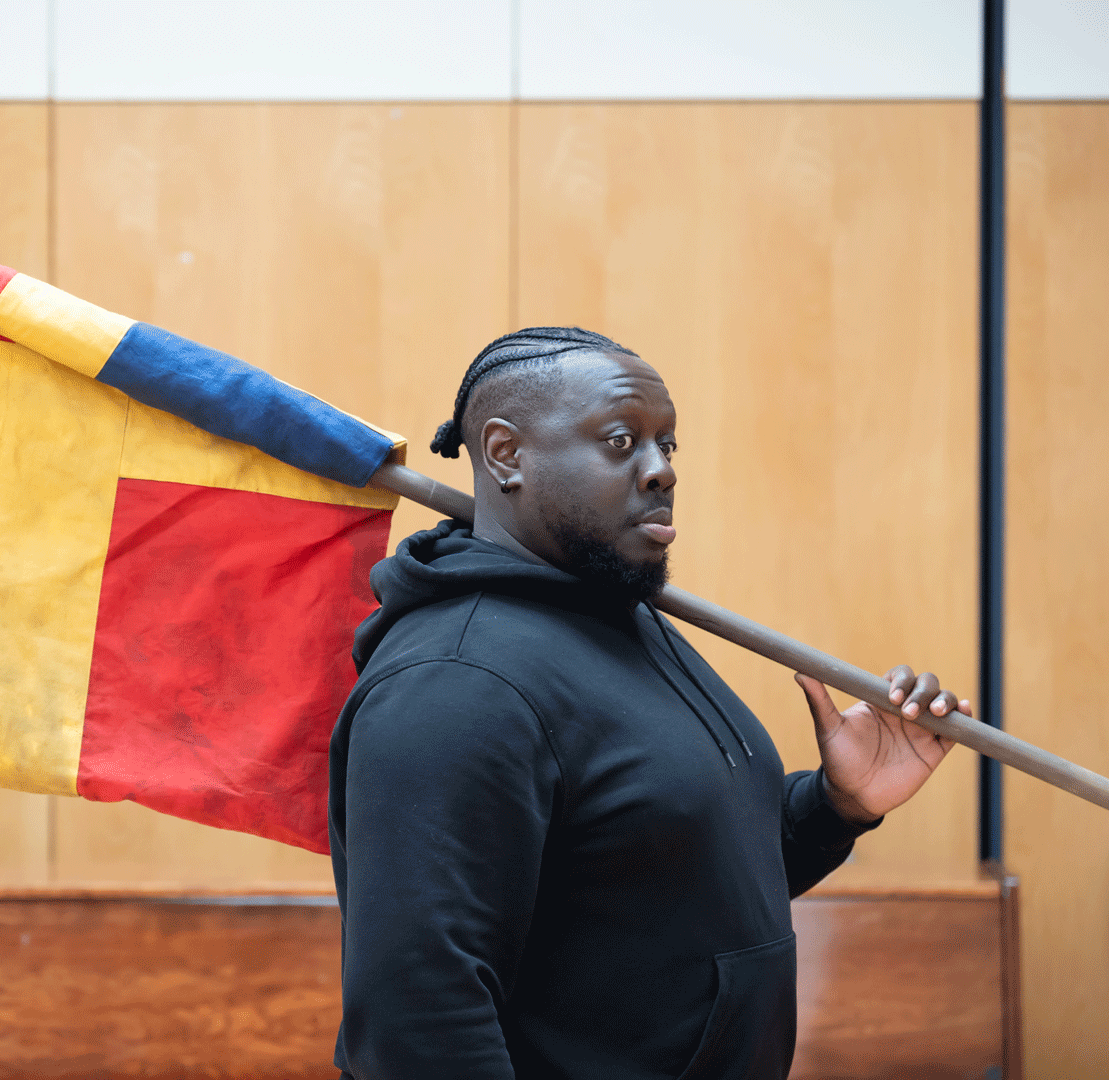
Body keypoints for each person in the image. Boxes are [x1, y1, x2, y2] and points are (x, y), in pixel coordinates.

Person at [328, 326, 973, 1080]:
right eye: (621, 439)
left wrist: (836, 806)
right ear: (507, 454)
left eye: (668, 445)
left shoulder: (621, 615)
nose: (661, 469)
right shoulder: (459, 682)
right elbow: (418, 1024)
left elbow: (664, 881)